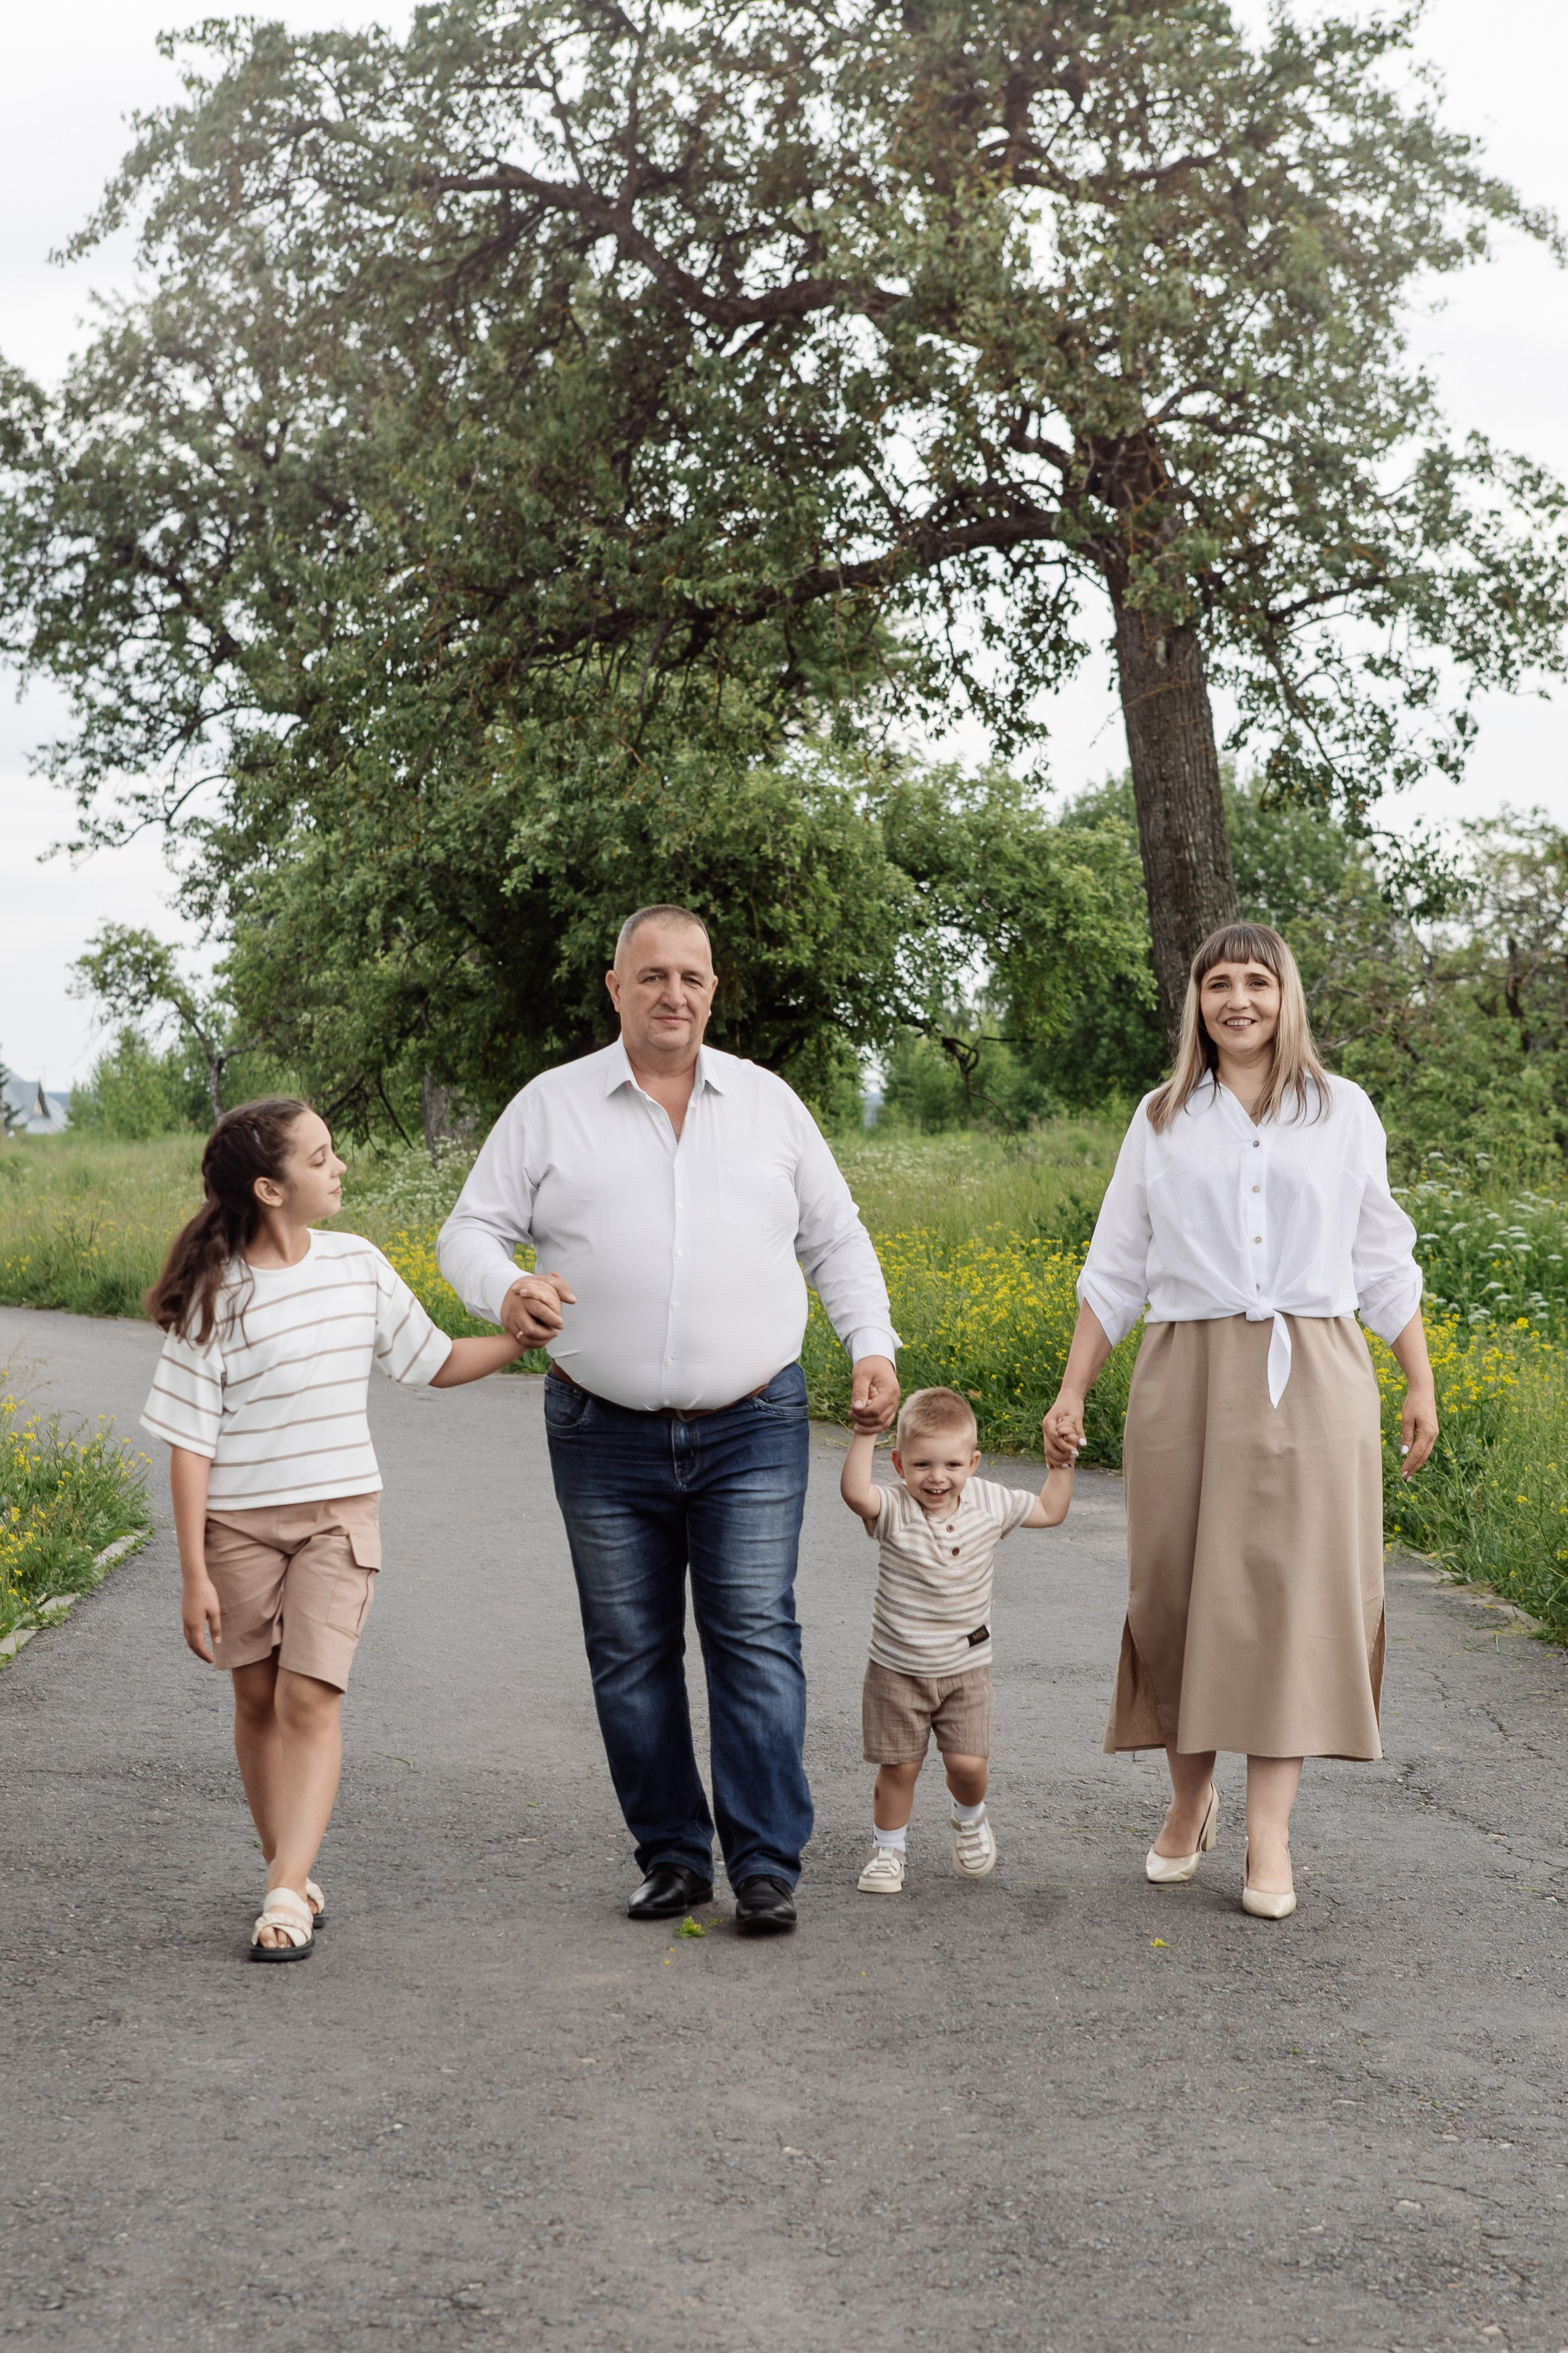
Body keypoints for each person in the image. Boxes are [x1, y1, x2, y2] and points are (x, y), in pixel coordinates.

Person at [438, 904, 900, 1936]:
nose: (672, 995)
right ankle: (674, 1857)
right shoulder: (552, 1108)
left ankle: (767, 1863)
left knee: (754, 1638)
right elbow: (468, 1229)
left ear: (712, 990)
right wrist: (504, 1291)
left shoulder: (770, 1107)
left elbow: (837, 1238)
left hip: (753, 1422)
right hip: (601, 1428)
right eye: (651, 976)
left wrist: (873, 1346)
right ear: (615, 988)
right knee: (630, 1648)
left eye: (691, 977)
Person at [1041, 923, 1436, 1920]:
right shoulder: (1163, 1115)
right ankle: (1188, 1804)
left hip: (1315, 1371)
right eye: (1220, 984)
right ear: (1198, 1003)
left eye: (1257, 982)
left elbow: (1383, 1257)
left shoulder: (1342, 1112)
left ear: (1285, 996)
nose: (1239, 1001)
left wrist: (1417, 1382)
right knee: (1177, 1593)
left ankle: (1271, 1837)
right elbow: (1116, 1263)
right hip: (1185, 1370)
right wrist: (1072, 1387)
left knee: (1289, 1603)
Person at [141, 1099, 523, 1960]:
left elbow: (431, 1361)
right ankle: (292, 1865)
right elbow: (190, 1446)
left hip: (337, 1517)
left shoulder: (358, 1266)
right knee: (255, 1697)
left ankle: (285, 1890)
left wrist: (520, 1337)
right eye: (321, 1157)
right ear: (272, 1187)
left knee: (308, 1695)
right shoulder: (215, 1294)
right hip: (236, 1526)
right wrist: (193, 1572)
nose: (339, 1165)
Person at [841, 1386, 1073, 1895]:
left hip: (966, 1667)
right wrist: (864, 1433)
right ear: (899, 1464)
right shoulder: (894, 1509)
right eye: (922, 1465)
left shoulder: (990, 1501)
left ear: (973, 1462)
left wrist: (1061, 1464)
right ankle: (888, 1850)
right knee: (899, 1767)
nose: (937, 1478)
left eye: (951, 1464)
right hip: (896, 1668)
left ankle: (968, 1818)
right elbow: (856, 1493)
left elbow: (1050, 1512)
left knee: (968, 1765)